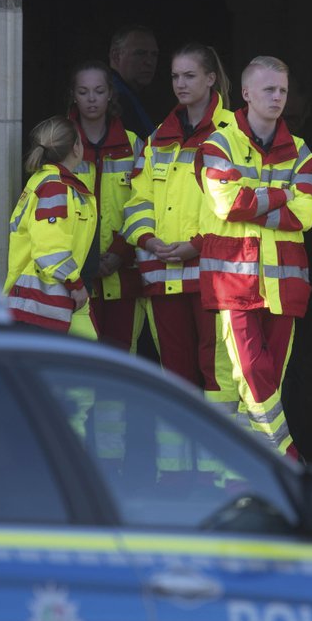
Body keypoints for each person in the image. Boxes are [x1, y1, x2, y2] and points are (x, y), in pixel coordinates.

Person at [198, 56, 312, 459]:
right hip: (234, 281)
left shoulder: (301, 150)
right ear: (246, 93)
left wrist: (258, 198)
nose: (277, 97)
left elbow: (305, 214)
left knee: (267, 378)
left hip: (284, 285)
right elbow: (228, 203)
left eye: (283, 90)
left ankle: (244, 471)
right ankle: (285, 455)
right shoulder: (218, 143)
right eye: (269, 89)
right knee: (252, 372)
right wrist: (284, 193)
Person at [122, 43, 238, 411]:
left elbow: (237, 204)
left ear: (211, 78)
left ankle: (217, 465)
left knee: (218, 373)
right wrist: (148, 239)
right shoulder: (158, 137)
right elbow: (137, 200)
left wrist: (199, 244)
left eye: (189, 76)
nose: (180, 84)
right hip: (164, 274)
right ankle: (175, 468)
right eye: (175, 76)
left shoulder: (235, 132)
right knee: (174, 376)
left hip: (212, 272)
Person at [68, 61, 145, 351]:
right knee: (80, 362)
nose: (91, 99)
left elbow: (144, 206)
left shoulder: (134, 144)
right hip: (75, 276)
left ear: (111, 94)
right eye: (83, 91)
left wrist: (118, 254)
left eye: (99, 91)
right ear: (73, 95)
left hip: (123, 273)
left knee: (121, 362)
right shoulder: (62, 146)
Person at [4, 116, 98, 338]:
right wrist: (76, 285)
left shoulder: (45, 181)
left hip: (46, 305)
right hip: (43, 306)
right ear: (76, 147)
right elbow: (50, 250)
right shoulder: (54, 187)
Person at [108, 25, 160, 139]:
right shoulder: (110, 97)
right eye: (140, 53)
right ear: (116, 56)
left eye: (154, 54)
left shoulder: (132, 93)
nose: (149, 62)